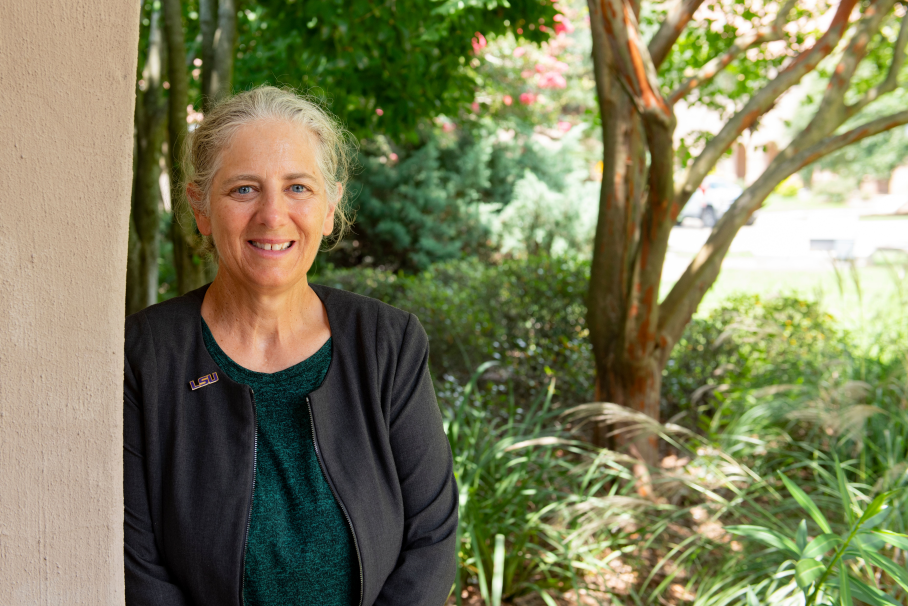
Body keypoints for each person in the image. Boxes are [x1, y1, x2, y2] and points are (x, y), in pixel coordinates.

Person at [123, 86, 458, 606]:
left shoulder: (387, 343)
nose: (273, 215)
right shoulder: (146, 354)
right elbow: (138, 563)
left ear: (330, 207)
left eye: (298, 187)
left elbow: (432, 538)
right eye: (243, 190)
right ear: (201, 207)